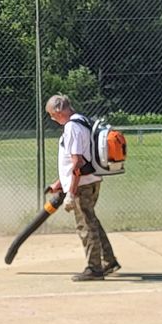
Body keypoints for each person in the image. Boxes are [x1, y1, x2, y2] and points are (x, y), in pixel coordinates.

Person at [46, 94, 120, 282]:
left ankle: (94, 269)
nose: (51, 119)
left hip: (82, 186)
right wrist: (59, 183)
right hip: (90, 180)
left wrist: (70, 193)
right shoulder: (82, 121)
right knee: (92, 221)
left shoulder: (72, 127)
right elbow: (78, 160)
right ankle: (108, 260)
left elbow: (77, 162)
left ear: (58, 111)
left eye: (51, 115)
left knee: (86, 226)